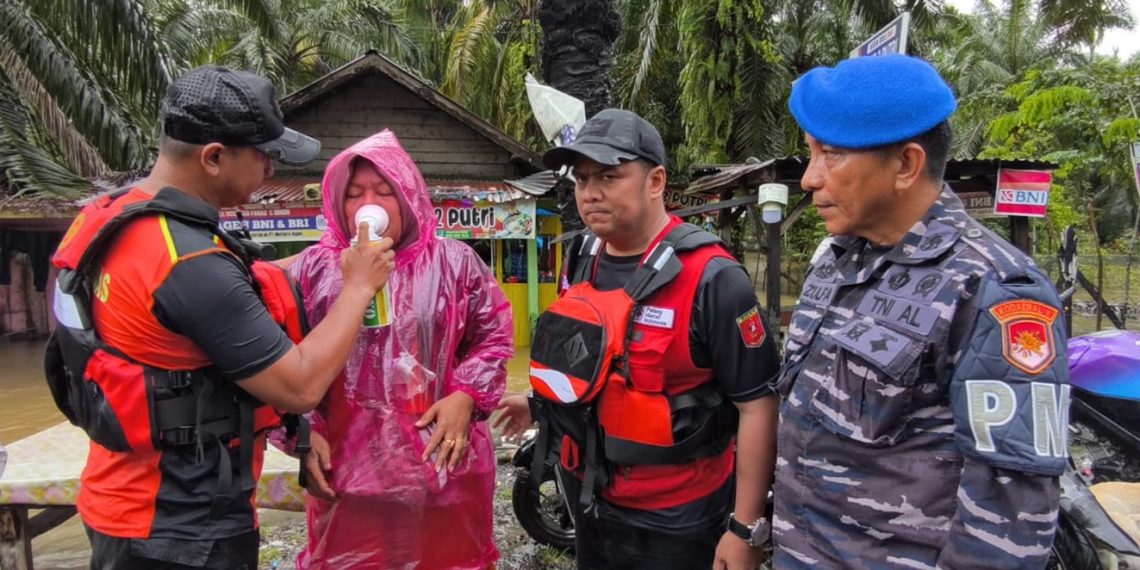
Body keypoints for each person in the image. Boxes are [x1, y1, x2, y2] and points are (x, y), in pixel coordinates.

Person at [45, 66, 395, 569]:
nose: (270, 172)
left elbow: (202, 304)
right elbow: (299, 387)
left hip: (115, 497)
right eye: (264, 157)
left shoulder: (114, 215)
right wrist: (359, 286)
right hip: (181, 527)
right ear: (213, 158)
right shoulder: (191, 267)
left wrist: (315, 262)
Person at [771, 54, 1069, 569]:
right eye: (811, 154)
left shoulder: (995, 290)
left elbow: (1010, 523)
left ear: (906, 165)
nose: (809, 179)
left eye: (832, 154)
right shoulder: (838, 261)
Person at [495, 109, 781, 570]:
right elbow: (596, 361)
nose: (590, 193)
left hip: (678, 516)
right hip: (591, 500)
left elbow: (758, 406)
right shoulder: (583, 255)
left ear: (655, 181)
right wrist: (539, 404)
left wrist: (745, 528)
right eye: (582, 178)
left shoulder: (713, 278)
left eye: (609, 176)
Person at [287, 130, 513, 569]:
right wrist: (302, 429)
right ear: (338, 203)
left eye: (384, 190)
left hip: (445, 468)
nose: (368, 203)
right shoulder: (315, 269)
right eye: (354, 194)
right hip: (348, 476)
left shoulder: (456, 262)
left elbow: (493, 337)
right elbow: (284, 360)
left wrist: (466, 396)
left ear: (409, 195)